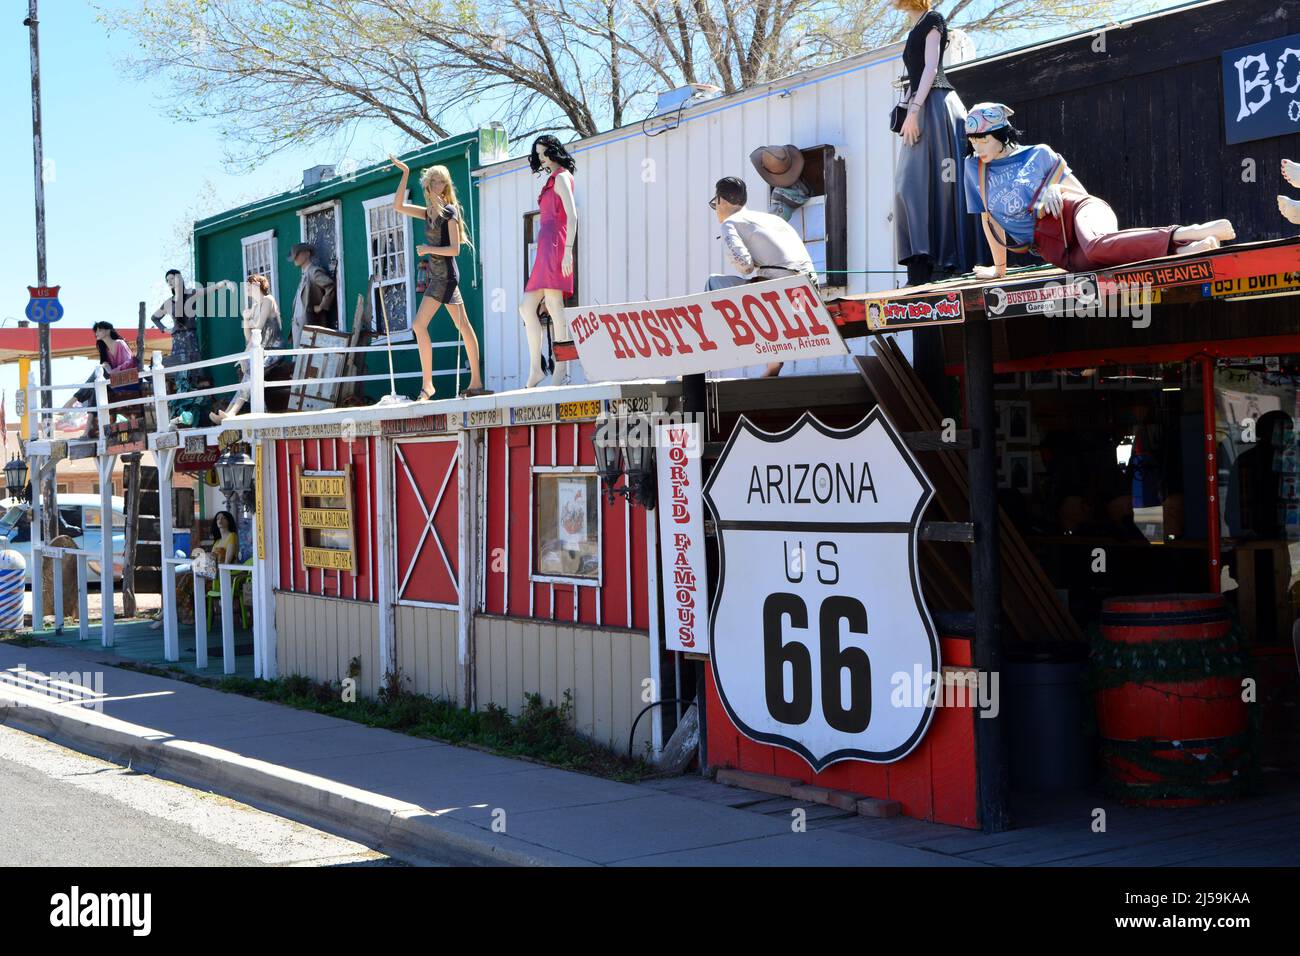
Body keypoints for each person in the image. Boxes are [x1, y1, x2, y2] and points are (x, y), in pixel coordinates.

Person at [964, 103, 1236, 278]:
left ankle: (1192, 230)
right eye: (973, 141)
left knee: (1095, 245)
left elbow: (1082, 194)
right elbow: (988, 219)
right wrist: (999, 270)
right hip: (1052, 245)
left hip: (1078, 212)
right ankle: (1187, 249)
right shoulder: (974, 169)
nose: (978, 147)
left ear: (1002, 134)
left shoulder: (1039, 154)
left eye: (983, 139)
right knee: (1095, 261)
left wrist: (1054, 187)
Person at [892, 0, 979, 287]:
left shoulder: (934, 19)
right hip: (922, 106)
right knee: (910, 184)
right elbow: (917, 74)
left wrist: (914, 111)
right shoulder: (915, 27)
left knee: (944, 185)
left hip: (937, 107)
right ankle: (921, 261)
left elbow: (931, 68)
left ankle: (946, 261)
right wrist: (907, 107)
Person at [389, 156, 490, 399]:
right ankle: (462, 382)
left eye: (441, 182)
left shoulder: (449, 212)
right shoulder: (428, 213)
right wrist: (404, 173)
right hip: (437, 277)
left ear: (445, 186)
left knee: (424, 325)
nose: (437, 186)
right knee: (461, 325)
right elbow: (398, 206)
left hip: (445, 276)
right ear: (427, 185)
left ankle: (438, 384)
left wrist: (428, 249)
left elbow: (455, 250)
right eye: (433, 182)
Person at [706, 175, 819, 377]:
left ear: (721, 200)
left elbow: (744, 266)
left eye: (716, 204)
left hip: (780, 292)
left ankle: (707, 365)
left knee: (713, 282)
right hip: (806, 293)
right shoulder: (772, 218)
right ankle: (774, 361)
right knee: (762, 288)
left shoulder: (730, 222)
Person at [519, 135, 578, 389]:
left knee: (555, 306)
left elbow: (573, 215)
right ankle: (536, 367)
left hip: (556, 243)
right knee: (526, 307)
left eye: (544, 153)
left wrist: (568, 251)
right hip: (545, 245)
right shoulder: (551, 179)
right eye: (539, 154)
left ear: (554, 151)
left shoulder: (562, 177)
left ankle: (561, 369)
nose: (541, 158)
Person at [210, 274, 288, 424]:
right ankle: (234, 412)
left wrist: (245, 355)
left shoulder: (268, 300)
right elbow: (248, 336)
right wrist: (246, 320)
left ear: (257, 285)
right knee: (248, 372)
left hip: (274, 348)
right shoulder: (253, 306)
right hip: (261, 349)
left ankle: (231, 412)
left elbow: (258, 329)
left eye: (248, 285)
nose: (245, 288)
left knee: (252, 369)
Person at [67, 322, 138, 438]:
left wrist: (112, 371)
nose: (96, 333)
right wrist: (107, 367)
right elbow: (108, 369)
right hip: (114, 382)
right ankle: (86, 429)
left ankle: (72, 401)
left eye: (99, 330)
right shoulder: (105, 349)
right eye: (96, 331)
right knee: (97, 386)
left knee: (97, 375)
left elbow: (129, 363)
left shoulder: (120, 343)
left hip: (127, 380)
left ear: (108, 330)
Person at [151, 268, 201, 373]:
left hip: (191, 337)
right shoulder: (168, 302)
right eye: (167, 280)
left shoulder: (191, 294)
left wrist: (223, 284)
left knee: (194, 369)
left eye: (172, 278)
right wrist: (164, 329)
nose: (170, 282)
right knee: (179, 371)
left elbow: (208, 290)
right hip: (177, 340)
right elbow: (154, 318)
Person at [288, 242, 337, 348]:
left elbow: (330, 286)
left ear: (307, 254)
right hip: (298, 325)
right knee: (298, 359)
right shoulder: (304, 274)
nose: (295, 258)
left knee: (306, 357)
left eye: (298, 254)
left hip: (308, 323)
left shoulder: (314, 272)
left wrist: (321, 306)